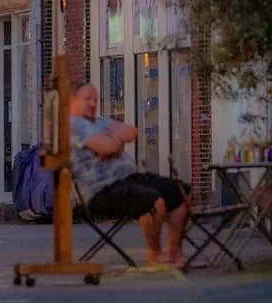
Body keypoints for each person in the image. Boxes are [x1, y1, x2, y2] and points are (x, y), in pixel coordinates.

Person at [70, 84, 188, 267]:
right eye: (88, 99)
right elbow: (108, 146)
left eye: (96, 99)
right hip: (102, 191)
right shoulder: (74, 124)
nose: (93, 103)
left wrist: (112, 142)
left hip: (126, 178)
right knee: (154, 201)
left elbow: (131, 131)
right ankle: (155, 254)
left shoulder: (99, 122)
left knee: (179, 192)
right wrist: (115, 143)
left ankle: (174, 252)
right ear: (73, 101)